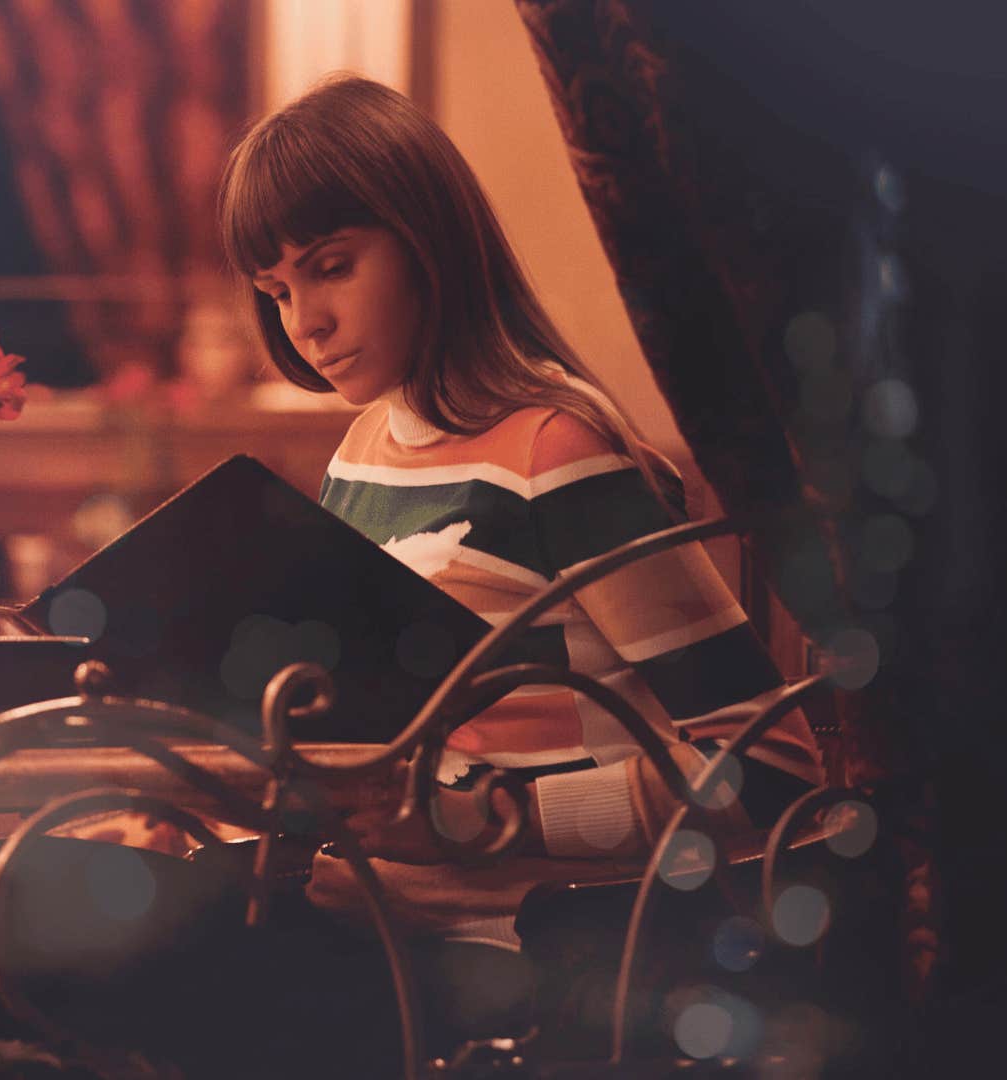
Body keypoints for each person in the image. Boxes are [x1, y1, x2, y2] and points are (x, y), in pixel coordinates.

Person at [215, 73, 824, 945]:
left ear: (429, 246)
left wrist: (483, 818)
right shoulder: (360, 451)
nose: (304, 322)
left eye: (332, 268)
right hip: (350, 918)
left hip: (492, 957)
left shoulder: (553, 453)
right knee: (8, 891)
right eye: (276, 290)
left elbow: (770, 767)